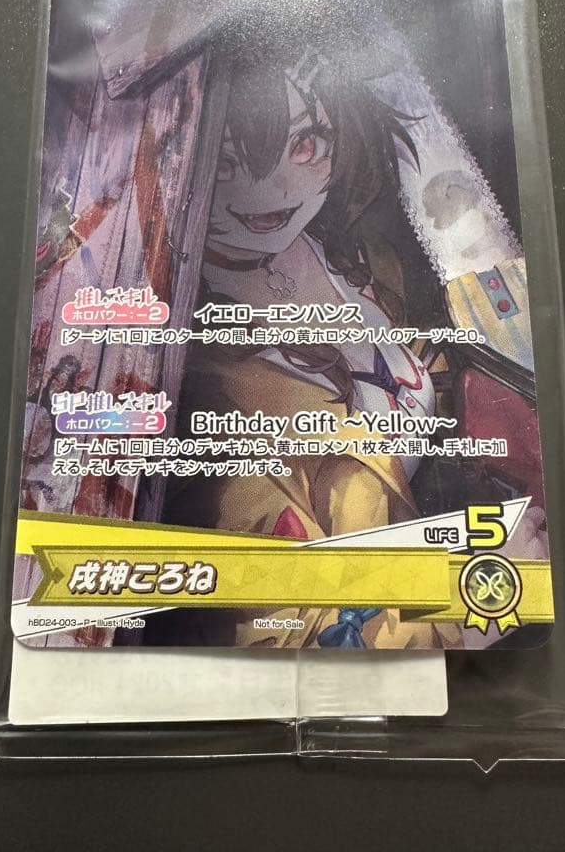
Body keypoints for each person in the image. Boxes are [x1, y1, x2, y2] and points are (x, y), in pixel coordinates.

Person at [160, 42, 460, 649]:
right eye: (226, 163)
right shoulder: (206, 384)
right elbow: (295, 627)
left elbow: (417, 370)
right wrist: (474, 608)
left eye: (303, 145)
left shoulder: (354, 253)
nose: (271, 190)